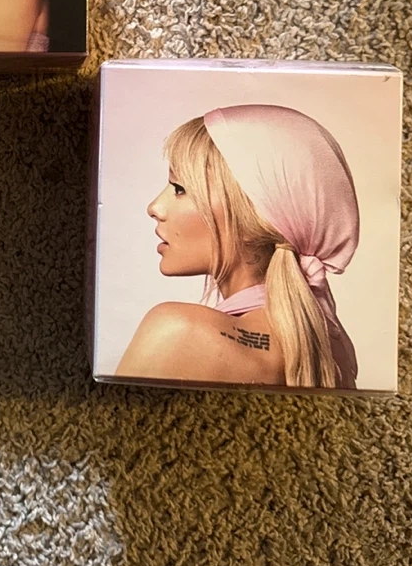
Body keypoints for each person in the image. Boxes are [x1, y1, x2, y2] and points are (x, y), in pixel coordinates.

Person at [117, 104, 360, 389]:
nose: (155, 207)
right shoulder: (329, 347)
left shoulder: (180, 333)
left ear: (254, 218)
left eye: (180, 188)